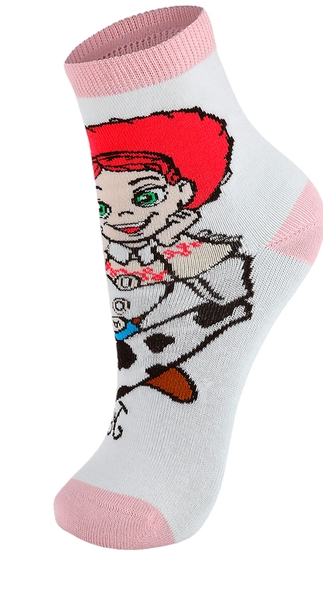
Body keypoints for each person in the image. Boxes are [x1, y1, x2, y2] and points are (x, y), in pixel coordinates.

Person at [86, 108, 253, 436]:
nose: (122, 217)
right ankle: (151, 383)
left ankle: (154, 392)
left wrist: (169, 248)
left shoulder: (193, 253)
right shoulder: (115, 255)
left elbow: (225, 291)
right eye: (103, 207)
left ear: (184, 192)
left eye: (146, 196)